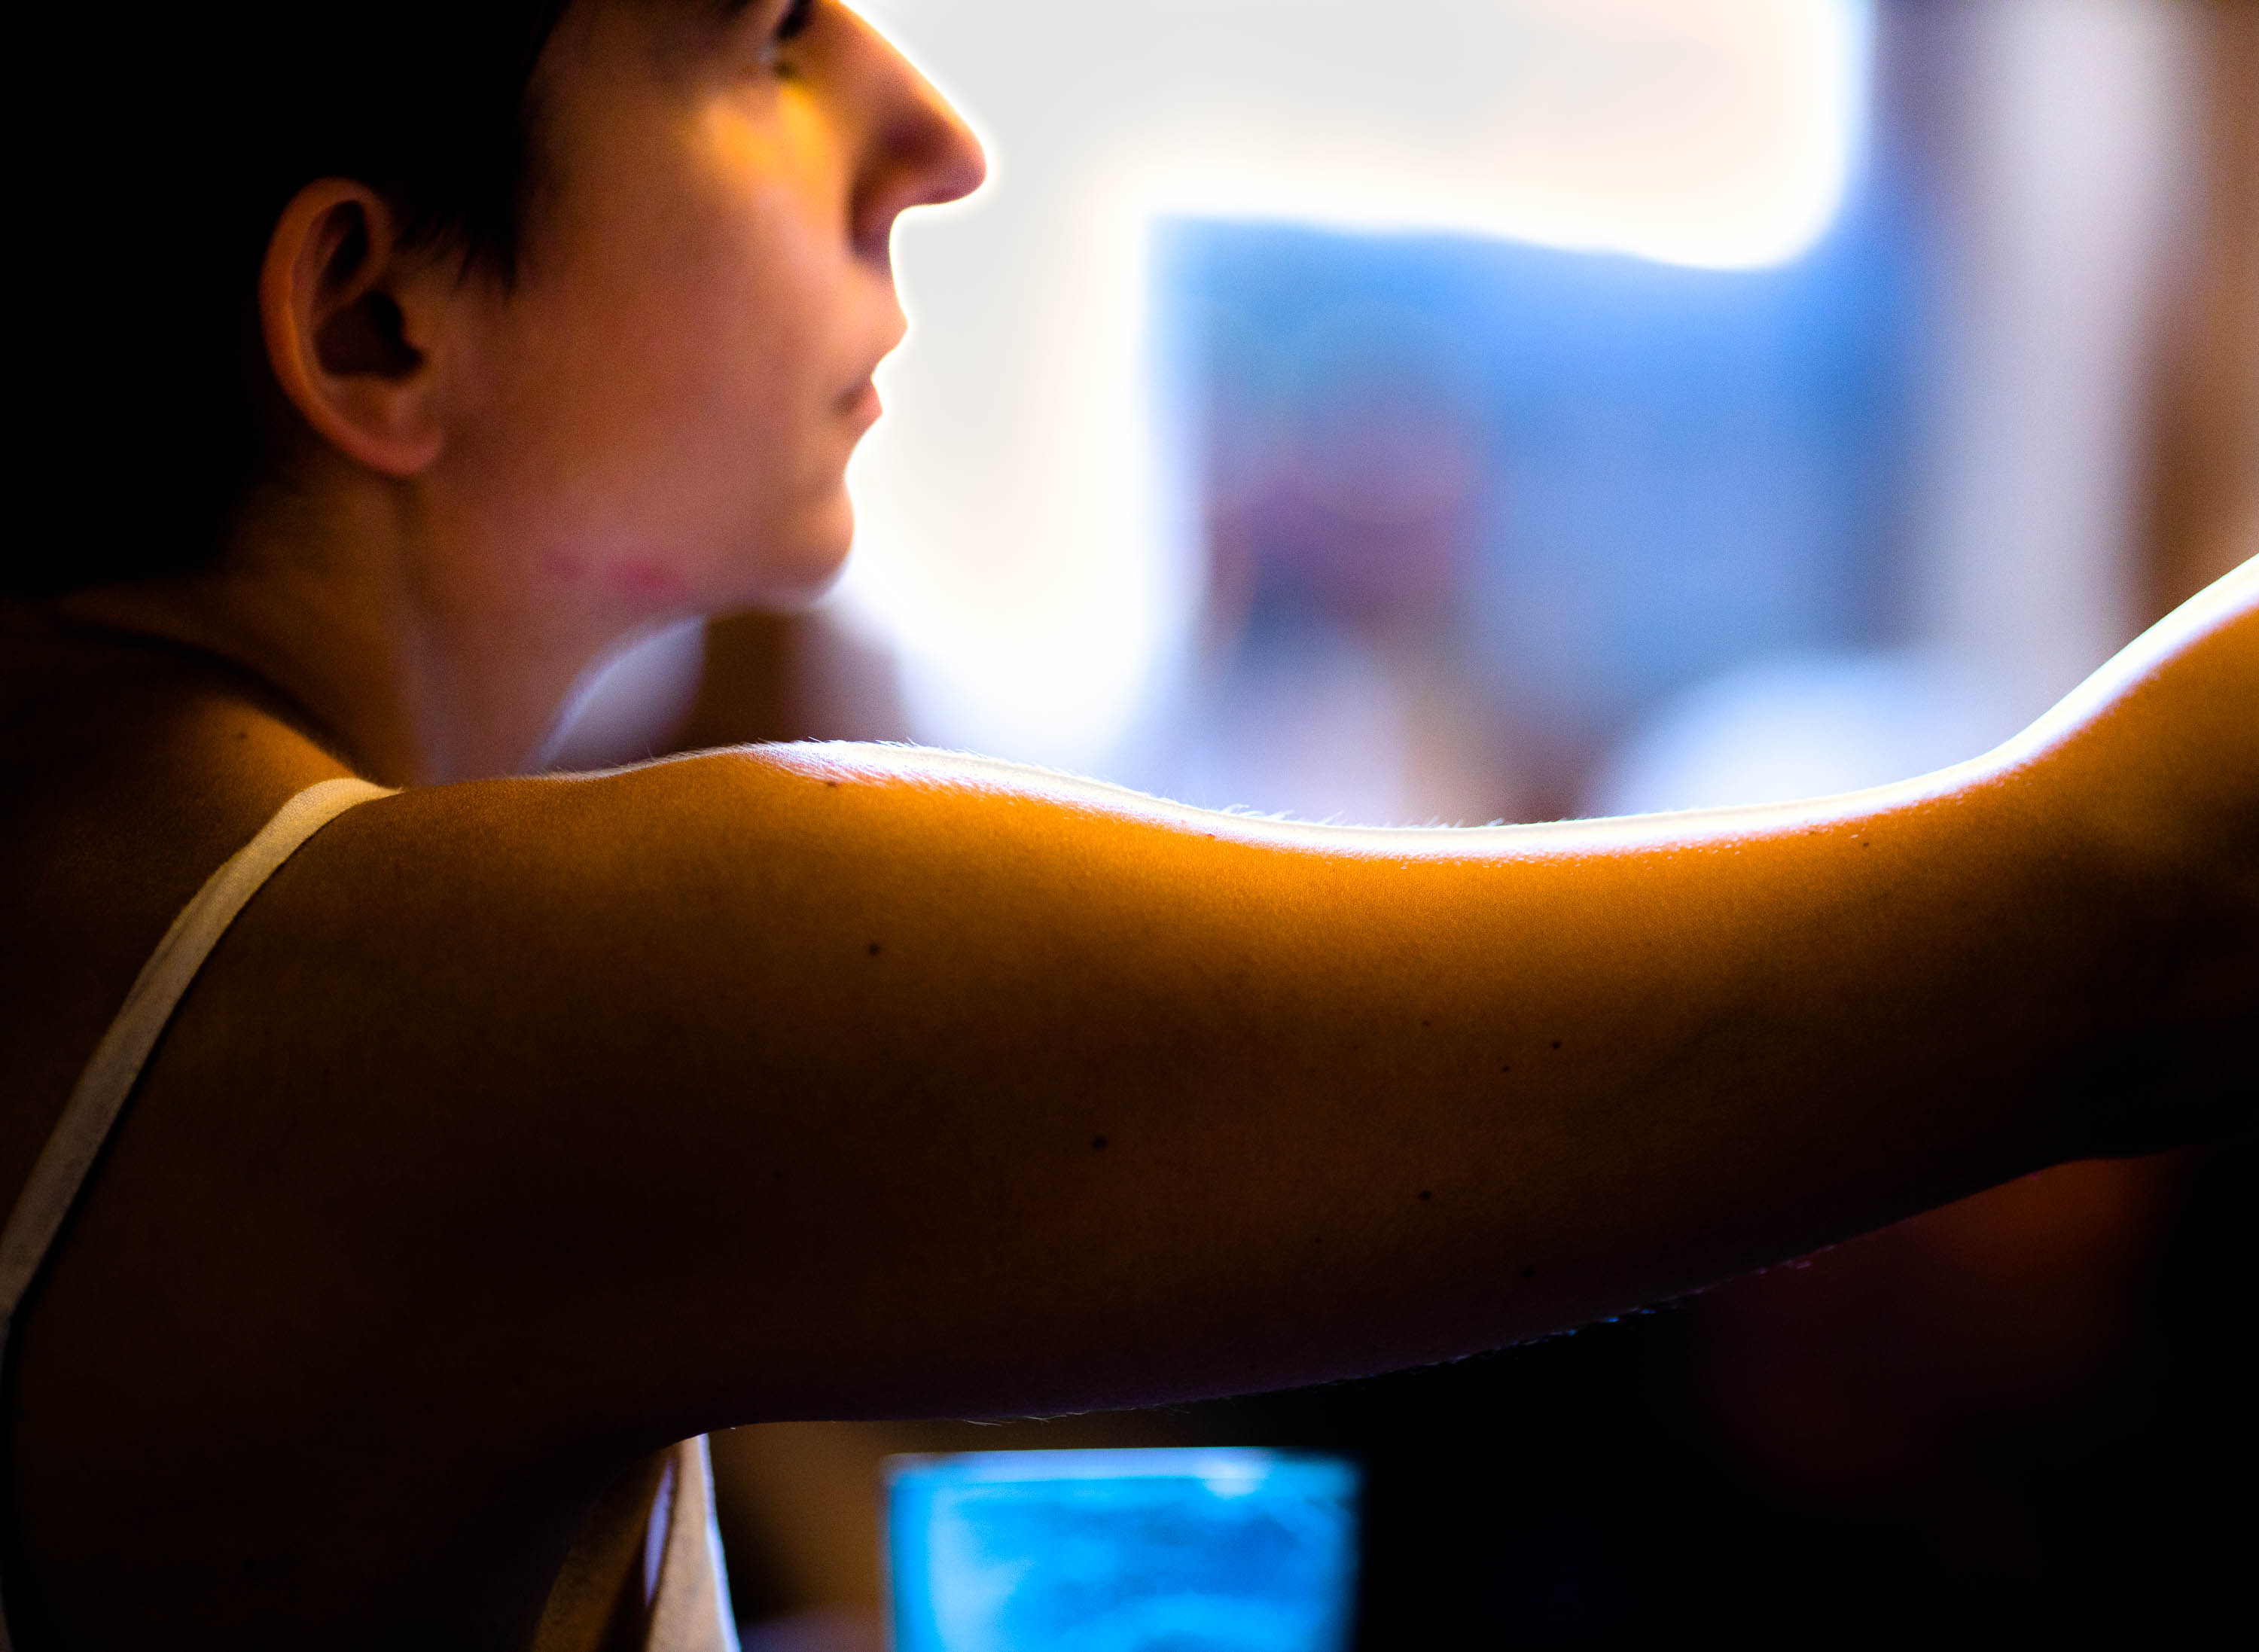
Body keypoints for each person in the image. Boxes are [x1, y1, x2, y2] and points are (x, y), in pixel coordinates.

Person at [1, 2, 2251, 1646]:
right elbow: (2147, 907)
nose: (936, 132)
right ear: (375, 317)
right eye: (764, 33)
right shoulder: (480, 1006)